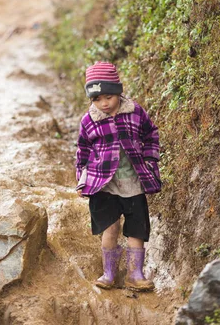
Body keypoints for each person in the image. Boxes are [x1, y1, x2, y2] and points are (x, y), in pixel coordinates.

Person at [75, 61, 162, 292]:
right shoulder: (89, 121)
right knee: (110, 228)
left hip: (134, 182)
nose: (103, 103)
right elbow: (82, 150)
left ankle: (135, 274)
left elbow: (151, 134)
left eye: (108, 97)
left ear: (118, 91)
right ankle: (109, 273)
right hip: (104, 185)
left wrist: (151, 159)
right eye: (96, 99)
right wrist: (82, 178)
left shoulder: (135, 112)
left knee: (136, 228)